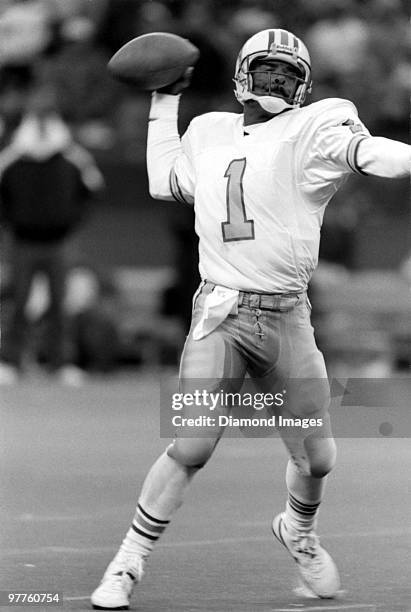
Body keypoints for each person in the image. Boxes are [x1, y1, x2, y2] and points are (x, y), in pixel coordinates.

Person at [91, 28, 410, 609]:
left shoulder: (317, 125)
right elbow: (163, 181)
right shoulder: (209, 129)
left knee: (319, 459)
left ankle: (299, 531)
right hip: (220, 313)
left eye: (288, 76)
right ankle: (127, 562)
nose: (277, 83)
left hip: (287, 316)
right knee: (191, 446)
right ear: (243, 74)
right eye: (267, 71)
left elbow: (372, 154)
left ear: (304, 87)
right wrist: (164, 103)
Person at [0, 84, 104, 383]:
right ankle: (9, 361)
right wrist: (13, 221)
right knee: (18, 302)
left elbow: (93, 188)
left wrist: (70, 221)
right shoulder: (14, 155)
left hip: (59, 243)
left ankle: (61, 363)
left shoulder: (72, 155)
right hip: (23, 242)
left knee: (60, 305)